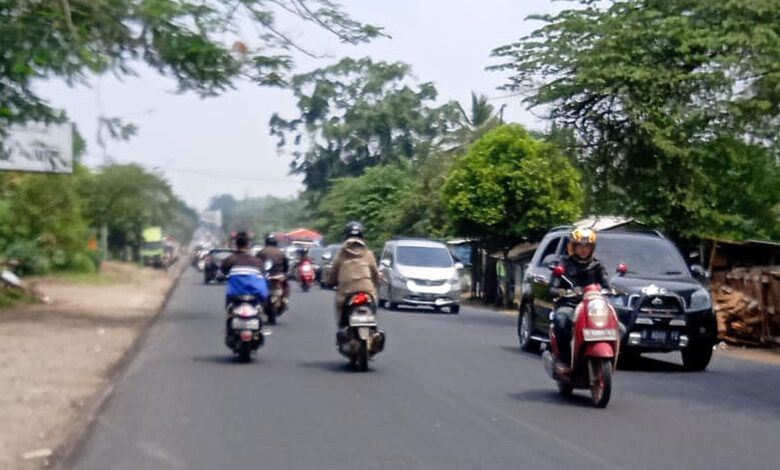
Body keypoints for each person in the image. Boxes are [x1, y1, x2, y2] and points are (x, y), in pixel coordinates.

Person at [550, 227, 610, 368]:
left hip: (593, 306)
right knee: (561, 319)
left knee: (619, 326)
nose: (584, 249)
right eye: (580, 246)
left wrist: (611, 289)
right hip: (570, 305)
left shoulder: (597, 265)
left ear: (592, 248)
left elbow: (606, 283)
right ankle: (564, 359)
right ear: (573, 247)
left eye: (587, 246)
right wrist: (560, 291)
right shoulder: (563, 264)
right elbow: (553, 287)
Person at [327, 221, 380, 330]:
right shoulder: (368, 254)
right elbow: (375, 273)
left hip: (347, 291)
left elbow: (333, 273)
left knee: (340, 308)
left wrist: (330, 282)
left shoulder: (341, 254)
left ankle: (342, 329)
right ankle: (373, 327)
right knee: (374, 303)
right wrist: (377, 282)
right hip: (367, 290)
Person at [220, 232, 269, 329]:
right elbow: (264, 275)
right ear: (248, 244)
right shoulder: (257, 261)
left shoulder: (230, 260)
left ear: (236, 244)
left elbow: (222, 272)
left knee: (229, 307)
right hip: (255, 296)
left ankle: (229, 325)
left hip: (235, 296)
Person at [257, 233, 289, 299]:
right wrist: (285, 273)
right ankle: (285, 299)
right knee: (286, 285)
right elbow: (286, 265)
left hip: (265, 275)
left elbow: (256, 263)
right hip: (277, 275)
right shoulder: (280, 252)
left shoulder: (261, 252)